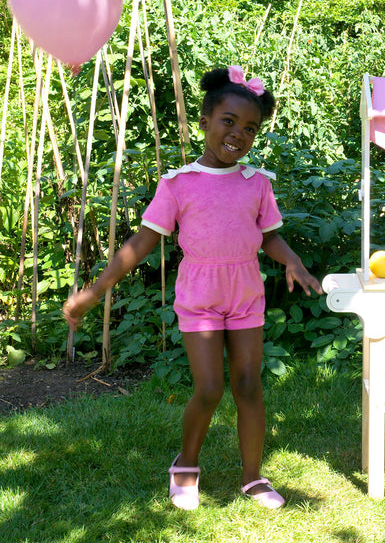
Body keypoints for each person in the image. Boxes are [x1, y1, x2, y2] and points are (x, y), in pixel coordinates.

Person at [63, 66, 322, 510]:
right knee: (210, 389)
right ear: (204, 122)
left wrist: (293, 261)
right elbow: (141, 243)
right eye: (229, 121)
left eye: (250, 128)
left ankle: (252, 477)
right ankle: (185, 465)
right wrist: (92, 292)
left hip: (245, 295)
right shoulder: (178, 184)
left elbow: (270, 237)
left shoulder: (256, 184)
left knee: (248, 385)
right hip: (200, 298)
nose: (238, 134)